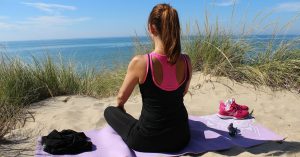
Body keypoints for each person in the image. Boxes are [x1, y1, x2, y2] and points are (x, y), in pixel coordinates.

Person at [104, 3, 192, 152]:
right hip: (181, 137)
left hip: (148, 139)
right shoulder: (186, 61)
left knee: (109, 111)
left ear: (151, 28)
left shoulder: (141, 62)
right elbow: (182, 92)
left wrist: (121, 110)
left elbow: (120, 99)